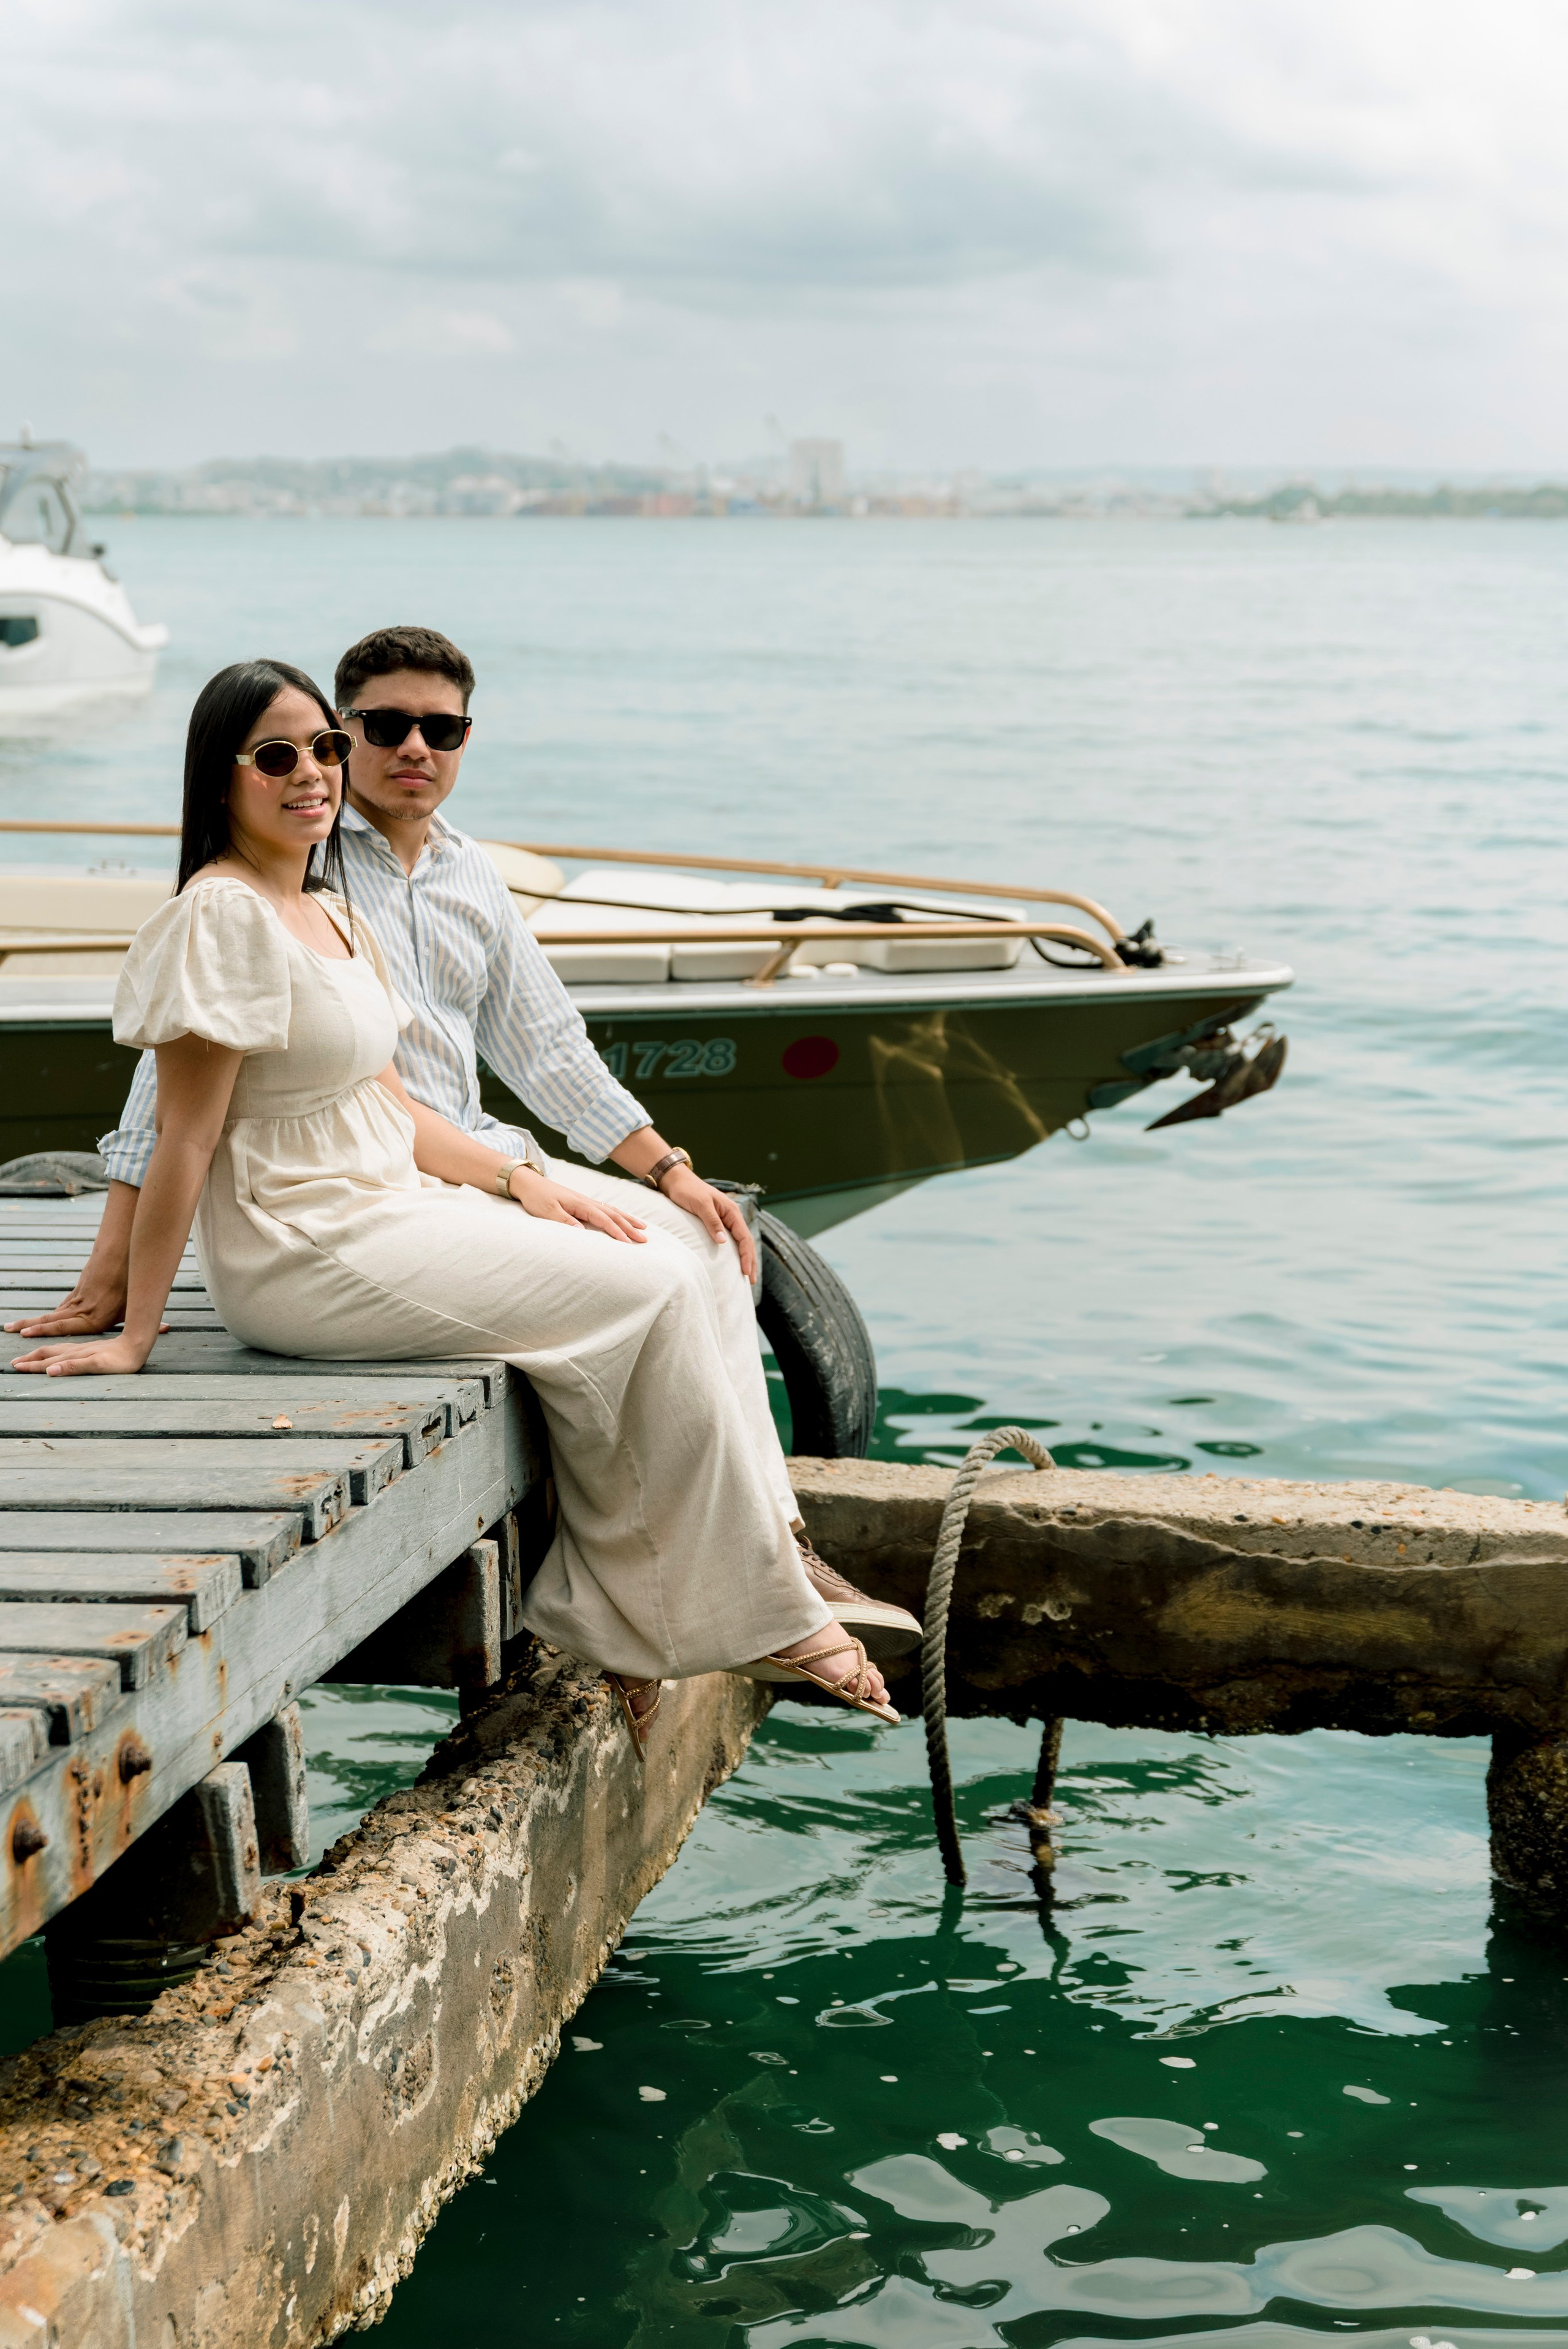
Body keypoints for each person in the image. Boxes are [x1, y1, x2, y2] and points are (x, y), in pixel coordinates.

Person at [10, 659, 901, 1744]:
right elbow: (183, 1132)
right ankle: (732, 1609)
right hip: (302, 1243)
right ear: (222, 777)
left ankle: (651, 1597)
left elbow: (400, 1110)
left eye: (324, 751)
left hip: (391, 1200)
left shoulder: (329, 910)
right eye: (280, 756)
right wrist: (133, 1324)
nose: (314, 775)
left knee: (665, 1263)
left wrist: (526, 1184)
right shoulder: (220, 919)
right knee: (648, 1293)